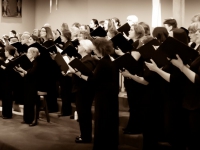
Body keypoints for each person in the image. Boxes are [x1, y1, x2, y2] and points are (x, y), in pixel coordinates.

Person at [70, 38, 119, 150]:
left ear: (99, 48)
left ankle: (102, 145)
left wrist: (77, 73)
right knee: (108, 120)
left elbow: (93, 80)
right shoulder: (109, 60)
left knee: (102, 120)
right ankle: (110, 143)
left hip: (103, 96)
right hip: (109, 94)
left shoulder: (102, 62)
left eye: (95, 47)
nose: (93, 49)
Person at [69, 39, 97, 143]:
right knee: (83, 114)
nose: (77, 47)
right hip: (82, 90)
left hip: (84, 91)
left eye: (80, 45)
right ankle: (84, 135)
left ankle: (85, 137)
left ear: (85, 48)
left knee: (84, 114)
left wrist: (75, 72)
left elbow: (87, 75)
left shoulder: (88, 60)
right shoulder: (84, 59)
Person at [14, 47, 40, 126]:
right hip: (27, 83)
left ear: (33, 54)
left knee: (32, 101)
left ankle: (33, 120)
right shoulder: (28, 62)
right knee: (26, 101)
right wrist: (18, 70)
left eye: (28, 53)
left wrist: (22, 70)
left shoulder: (36, 62)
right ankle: (27, 119)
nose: (27, 54)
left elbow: (32, 73)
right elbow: (25, 74)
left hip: (34, 85)